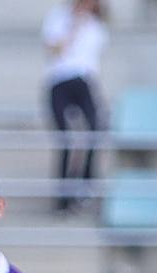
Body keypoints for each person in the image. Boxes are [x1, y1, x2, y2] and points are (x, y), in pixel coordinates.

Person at [40, 0, 107, 213]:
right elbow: (55, 50)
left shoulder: (96, 26)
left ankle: (85, 183)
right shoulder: (58, 17)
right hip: (59, 81)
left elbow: (90, 59)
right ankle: (63, 196)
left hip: (83, 81)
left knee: (94, 129)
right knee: (65, 139)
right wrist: (73, 26)